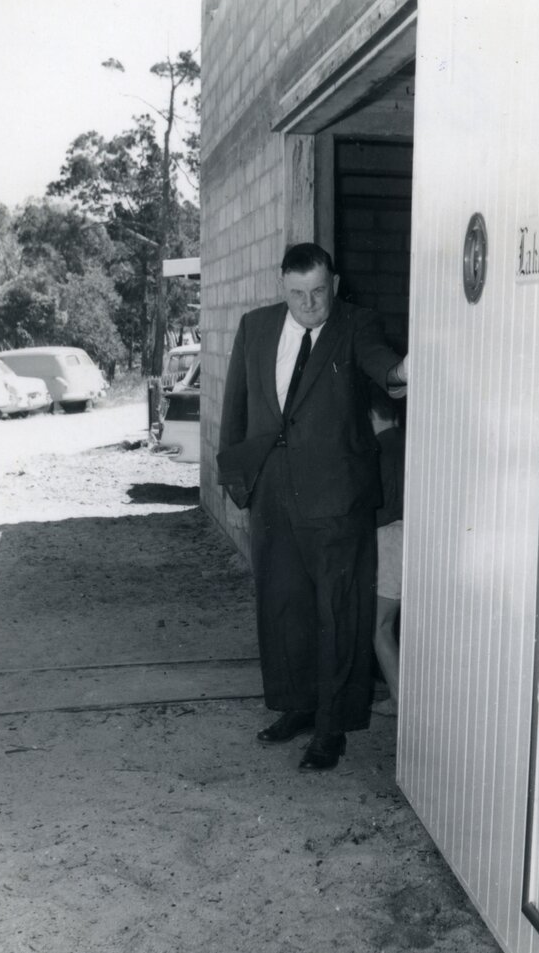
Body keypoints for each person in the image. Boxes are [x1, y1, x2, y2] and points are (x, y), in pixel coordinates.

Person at [217, 242, 408, 771]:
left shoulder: (356, 325)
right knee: (284, 610)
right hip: (272, 499)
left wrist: (401, 372)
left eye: (318, 293)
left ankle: (332, 728)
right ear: (283, 287)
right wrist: (236, 488)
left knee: (339, 615)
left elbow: (380, 366)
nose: (309, 304)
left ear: (335, 285)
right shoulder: (255, 328)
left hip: (338, 501)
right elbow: (236, 410)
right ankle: (297, 707)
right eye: (298, 294)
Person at [369, 389, 405, 717]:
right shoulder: (412, 442)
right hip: (418, 540)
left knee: (379, 626)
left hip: (392, 539)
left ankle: (398, 700)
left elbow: (381, 509)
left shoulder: (379, 450)